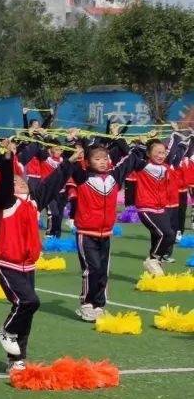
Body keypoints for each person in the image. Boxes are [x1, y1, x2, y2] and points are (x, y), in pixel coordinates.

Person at [0, 139, 74, 372]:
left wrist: (68, 161)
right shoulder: (7, 202)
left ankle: (17, 360)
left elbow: (52, 182)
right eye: (17, 181)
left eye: (23, 180)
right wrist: (7, 158)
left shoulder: (33, 203)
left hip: (28, 265)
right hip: (7, 263)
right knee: (29, 302)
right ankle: (6, 331)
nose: (21, 182)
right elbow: (7, 180)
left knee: (26, 315)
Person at [68, 131, 145, 321]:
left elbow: (132, 159)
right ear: (88, 161)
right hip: (86, 233)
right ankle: (86, 304)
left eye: (105, 158)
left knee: (103, 271)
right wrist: (75, 141)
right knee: (92, 268)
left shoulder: (114, 177)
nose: (103, 161)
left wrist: (136, 143)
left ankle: (99, 305)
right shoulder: (82, 177)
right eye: (97, 158)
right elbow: (70, 163)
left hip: (106, 234)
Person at [131, 129, 189, 274]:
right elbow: (132, 152)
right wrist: (141, 143)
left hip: (160, 208)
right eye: (157, 152)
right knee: (165, 234)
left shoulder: (164, 168)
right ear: (149, 154)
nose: (161, 155)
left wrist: (180, 141)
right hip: (146, 208)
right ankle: (153, 259)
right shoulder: (143, 166)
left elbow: (175, 155)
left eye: (163, 153)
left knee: (169, 234)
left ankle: (155, 262)